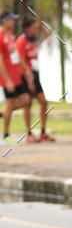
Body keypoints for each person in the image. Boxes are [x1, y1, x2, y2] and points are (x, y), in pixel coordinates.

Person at [15, 18, 55, 142]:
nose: (36, 30)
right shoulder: (21, 41)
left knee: (43, 102)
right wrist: (29, 77)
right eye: (34, 28)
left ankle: (43, 132)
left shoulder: (34, 40)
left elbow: (49, 34)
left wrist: (41, 24)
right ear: (27, 28)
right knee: (28, 104)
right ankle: (29, 133)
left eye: (37, 28)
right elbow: (20, 60)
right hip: (26, 75)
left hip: (35, 73)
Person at [0, 11, 35, 144]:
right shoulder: (1, 35)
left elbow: (17, 54)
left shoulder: (10, 35)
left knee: (26, 100)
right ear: (5, 21)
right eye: (11, 20)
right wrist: (7, 79)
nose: (14, 22)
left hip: (17, 76)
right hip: (7, 78)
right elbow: (0, 60)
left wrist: (26, 69)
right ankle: (5, 135)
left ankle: (3, 113)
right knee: (9, 105)